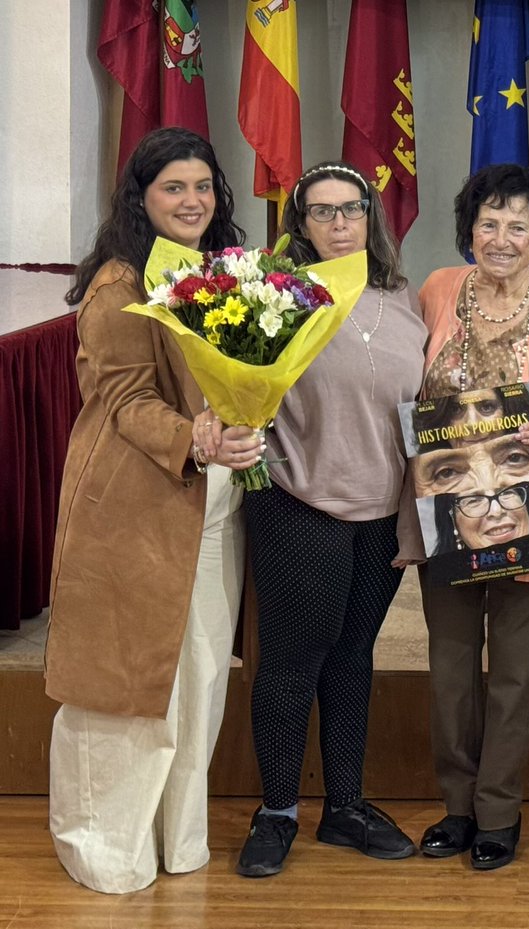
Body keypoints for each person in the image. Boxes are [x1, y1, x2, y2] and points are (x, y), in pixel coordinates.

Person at [45, 127, 261, 894]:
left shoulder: (224, 271)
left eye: (203, 186)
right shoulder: (118, 285)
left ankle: (177, 836)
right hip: (137, 514)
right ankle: (105, 843)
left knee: (196, 678)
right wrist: (197, 437)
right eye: (174, 187)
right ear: (140, 197)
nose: (192, 200)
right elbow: (125, 399)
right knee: (128, 687)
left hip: (212, 510)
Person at [233, 161, 427, 877]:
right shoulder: (276, 296)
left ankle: (344, 805)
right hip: (300, 500)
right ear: (300, 225)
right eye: (322, 211)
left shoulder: (401, 296)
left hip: (380, 512)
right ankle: (277, 810)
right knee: (291, 664)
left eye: (350, 209)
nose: (339, 222)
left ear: (370, 217)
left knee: (352, 659)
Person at [415, 163, 529, 870]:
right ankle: (457, 806)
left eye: (519, 225)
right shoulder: (434, 291)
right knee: (451, 671)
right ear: (470, 229)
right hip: (446, 516)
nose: (502, 237)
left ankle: (499, 813)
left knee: (516, 676)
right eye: (489, 222)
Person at [428, 481, 529, 555]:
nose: (497, 511)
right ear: (452, 520)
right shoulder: (447, 595)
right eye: (474, 501)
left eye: (507, 492)